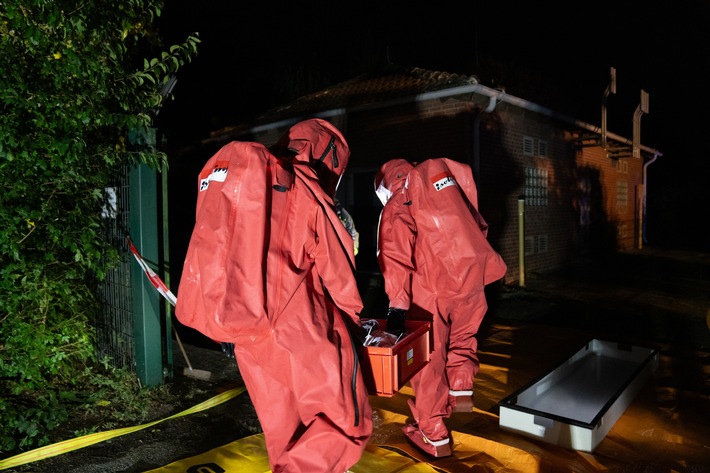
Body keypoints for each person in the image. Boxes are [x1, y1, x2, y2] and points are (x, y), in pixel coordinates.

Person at [176, 118, 372, 472]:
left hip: (249, 330)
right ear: (330, 159)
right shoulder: (307, 189)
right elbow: (338, 268)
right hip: (297, 327)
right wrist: (354, 322)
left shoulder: (256, 180)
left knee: (283, 427)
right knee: (346, 424)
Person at [374, 157, 507, 457]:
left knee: (428, 361)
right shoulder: (445, 185)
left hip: (431, 290)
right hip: (471, 280)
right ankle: (461, 388)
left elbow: (394, 256)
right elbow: (477, 223)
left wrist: (397, 307)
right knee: (463, 339)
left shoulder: (400, 200)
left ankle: (433, 434)